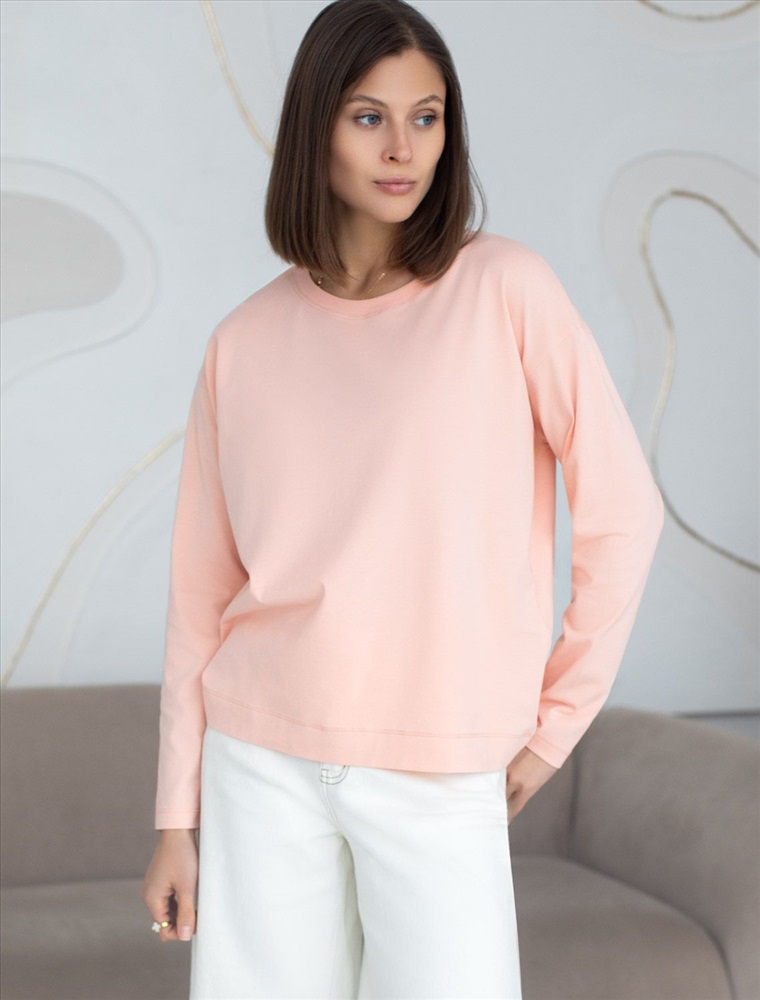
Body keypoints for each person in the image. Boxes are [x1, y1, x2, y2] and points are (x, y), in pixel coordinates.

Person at [142, 1, 665, 997]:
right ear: (317, 127)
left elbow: (624, 511)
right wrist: (176, 817)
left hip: (437, 761)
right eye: (368, 116)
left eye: (426, 117)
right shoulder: (243, 342)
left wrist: (555, 723)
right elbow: (198, 592)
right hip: (259, 757)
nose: (403, 148)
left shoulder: (505, 289)